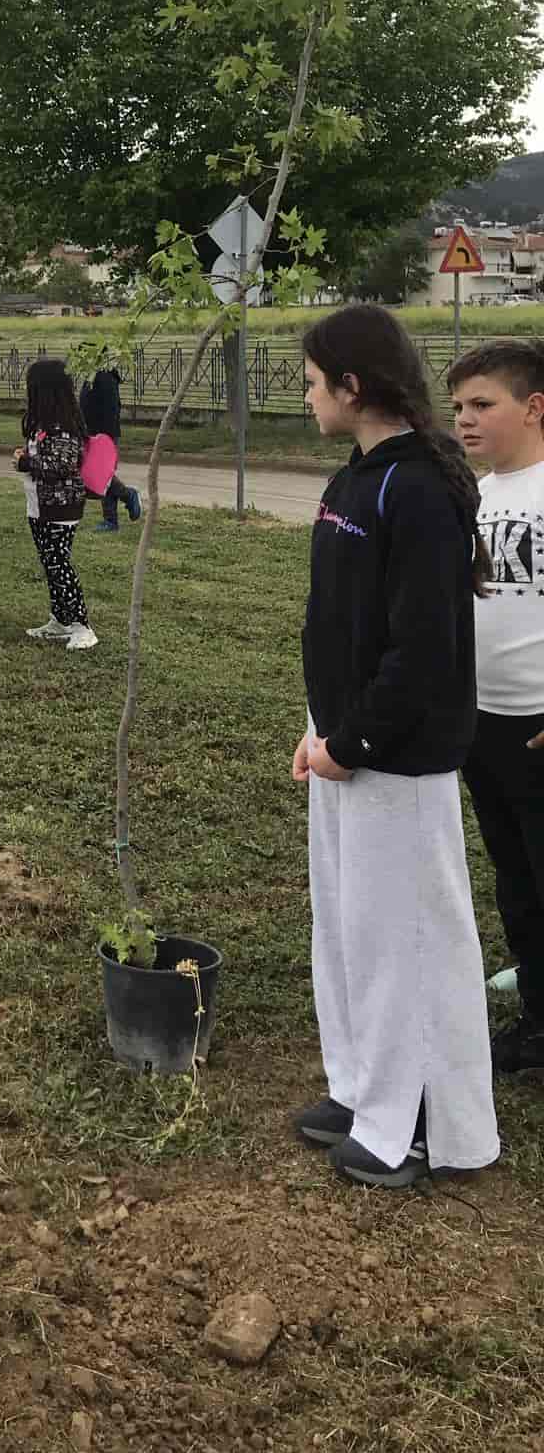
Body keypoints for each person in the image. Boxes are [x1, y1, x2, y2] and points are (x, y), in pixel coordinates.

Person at [295, 305, 498, 1189]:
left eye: (312, 382)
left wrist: (358, 736)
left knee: (407, 941)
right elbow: (344, 622)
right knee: (348, 933)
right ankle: (364, 1087)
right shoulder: (357, 476)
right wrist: (321, 731)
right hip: (341, 743)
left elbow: (425, 648)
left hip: (394, 757)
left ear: (353, 385)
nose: (306, 397)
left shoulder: (413, 488)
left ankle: (420, 1124)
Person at [448, 341, 544, 1079]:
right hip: (483, 725)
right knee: (515, 881)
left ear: (534, 406)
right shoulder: (473, 496)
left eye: (483, 404)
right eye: (458, 407)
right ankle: (537, 1025)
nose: (465, 420)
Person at [15, 359, 96, 649]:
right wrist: (26, 458)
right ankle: (60, 619)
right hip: (39, 504)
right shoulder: (42, 423)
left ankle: (81, 625)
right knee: (50, 564)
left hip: (61, 507)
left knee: (60, 564)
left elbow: (62, 465)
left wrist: (27, 461)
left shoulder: (64, 425)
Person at [79, 362, 142, 529]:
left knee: (102, 476)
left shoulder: (104, 377)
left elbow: (111, 409)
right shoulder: (94, 375)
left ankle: (128, 496)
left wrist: (102, 439)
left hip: (103, 435)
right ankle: (111, 520)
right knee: (103, 476)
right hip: (94, 433)